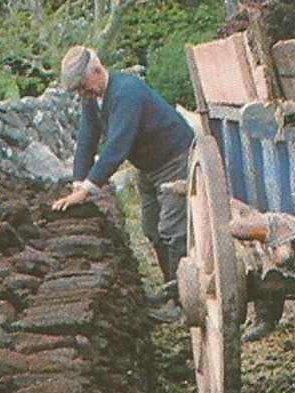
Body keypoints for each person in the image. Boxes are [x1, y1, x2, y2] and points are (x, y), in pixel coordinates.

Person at [52, 46, 194, 320]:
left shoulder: (126, 92)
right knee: (152, 229)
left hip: (175, 159)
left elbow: (117, 146)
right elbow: (87, 139)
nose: (82, 94)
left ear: (96, 71)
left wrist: (88, 190)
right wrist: (77, 183)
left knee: (174, 232)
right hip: (147, 166)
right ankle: (170, 288)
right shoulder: (94, 99)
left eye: (83, 86)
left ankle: (182, 300)